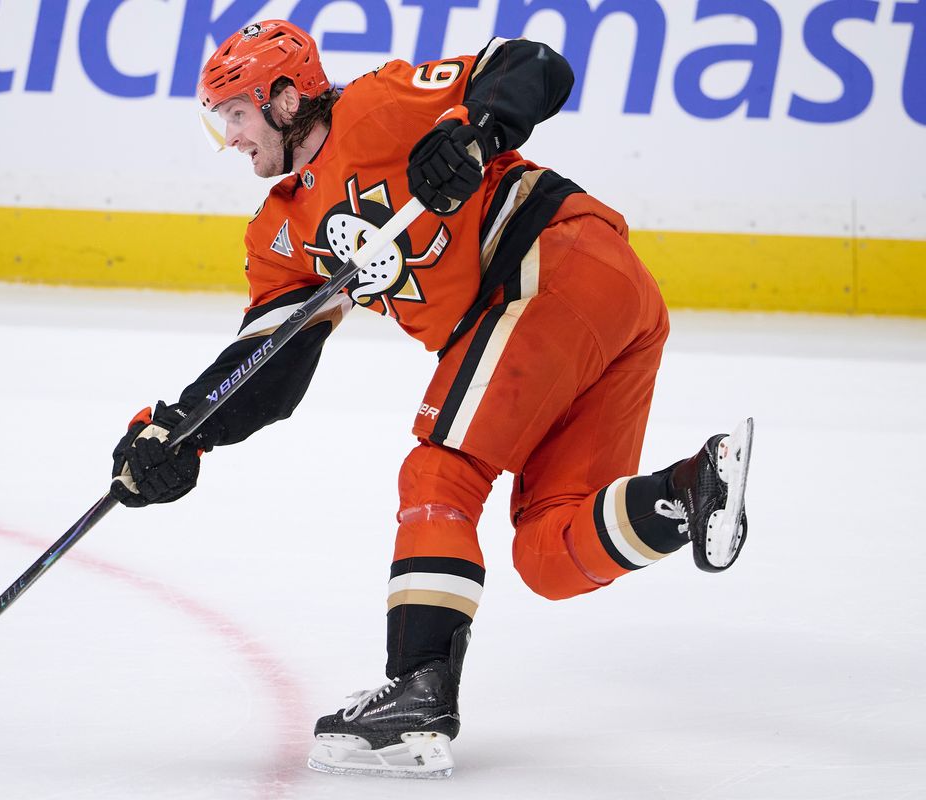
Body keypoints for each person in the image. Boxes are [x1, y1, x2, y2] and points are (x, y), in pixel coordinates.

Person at [108, 20, 754, 779]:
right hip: (599, 310)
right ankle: (690, 490)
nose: (233, 139)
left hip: (553, 262)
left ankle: (418, 690)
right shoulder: (280, 233)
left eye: (239, 115)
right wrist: (182, 430)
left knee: (441, 472)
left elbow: (532, 64)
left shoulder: (379, 105)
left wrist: (474, 130)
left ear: (284, 99)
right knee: (549, 555)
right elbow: (267, 364)